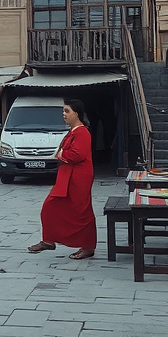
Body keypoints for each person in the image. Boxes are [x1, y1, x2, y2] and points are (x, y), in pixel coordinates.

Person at [28, 98, 97, 259]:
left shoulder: (82, 132)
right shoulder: (72, 131)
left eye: (67, 111)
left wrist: (60, 154)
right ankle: (49, 240)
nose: (63, 114)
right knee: (50, 206)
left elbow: (77, 154)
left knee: (82, 211)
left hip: (79, 176)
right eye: (63, 111)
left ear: (76, 113)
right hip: (67, 176)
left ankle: (87, 247)